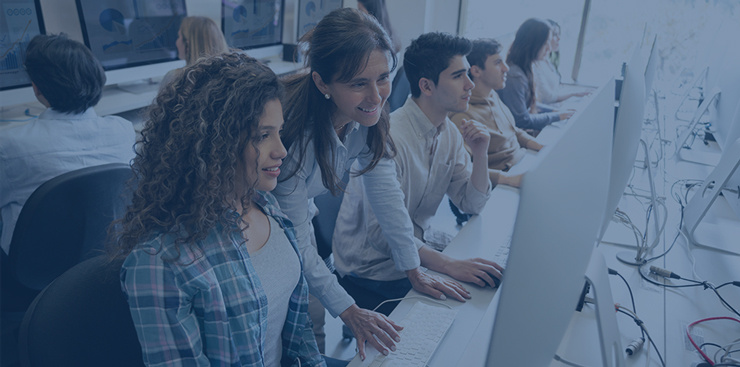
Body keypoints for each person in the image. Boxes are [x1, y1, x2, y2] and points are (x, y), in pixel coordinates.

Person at [116, 53, 346, 367]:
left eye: (279, 132)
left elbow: (299, 337)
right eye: (263, 136)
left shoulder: (267, 206)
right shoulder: (159, 262)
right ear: (216, 144)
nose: (281, 150)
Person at [275, 8, 471, 360]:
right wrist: (350, 311)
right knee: (304, 331)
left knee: (314, 324)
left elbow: (386, 195)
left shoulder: (365, 120)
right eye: (357, 84)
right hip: (266, 237)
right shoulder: (294, 139)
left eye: (383, 77)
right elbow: (295, 240)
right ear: (322, 84)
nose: (377, 96)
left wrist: (414, 268)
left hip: (299, 236)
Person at [332, 32, 504, 315]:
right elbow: (381, 236)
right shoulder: (387, 138)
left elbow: (472, 204)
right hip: (372, 269)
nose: (470, 84)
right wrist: (448, 265)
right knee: (460, 311)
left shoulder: (448, 132)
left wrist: (481, 154)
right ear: (426, 85)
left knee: (488, 280)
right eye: (459, 76)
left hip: (415, 249)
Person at [0, 34, 135, 255]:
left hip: (34, 268)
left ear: (37, 88)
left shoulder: (10, 146)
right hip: (105, 258)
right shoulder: (124, 130)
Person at [450, 38, 544, 188]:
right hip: (501, 181)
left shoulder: (492, 95)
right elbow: (462, 169)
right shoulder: (463, 116)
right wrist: (508, 179)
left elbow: (513, 131)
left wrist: (541, 147)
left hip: (521, 161)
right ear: (475, 71)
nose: (506, 68)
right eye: (497, 63)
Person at [497, 18, 574, 131]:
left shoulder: (526, 68)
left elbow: (526, 105)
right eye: (545, 43)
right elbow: (521, 120)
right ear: (532, 44)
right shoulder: (515, 76)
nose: (549, 48)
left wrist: (556, 112)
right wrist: (559, 116)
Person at [532, 20, 592, 106]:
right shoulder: (536, 65)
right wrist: (573, 93)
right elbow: (548, 98)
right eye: (555, 35)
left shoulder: (547, 61)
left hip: (558, 107)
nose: (559, 38)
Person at [161, 16, 229, 86]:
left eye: (179, 36)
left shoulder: (174, 78)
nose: (176, 42)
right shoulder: (230, 77)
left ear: (188, 46)